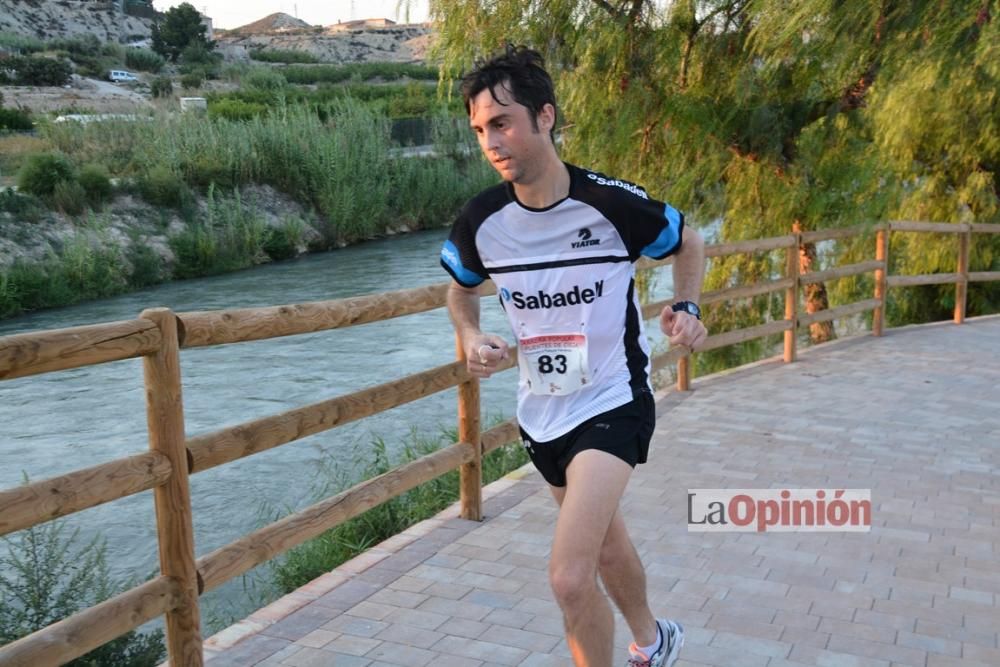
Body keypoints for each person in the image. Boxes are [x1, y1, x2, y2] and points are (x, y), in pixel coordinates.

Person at [440, 45, 707, 667]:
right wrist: (472, 337)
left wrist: (687, 309)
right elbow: (458, 291)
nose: (491, 142)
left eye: (502, 123)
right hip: (542, 413)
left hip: (614, 401)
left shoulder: (610, 203)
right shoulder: (480, 221)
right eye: (480, 130)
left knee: (568, 576)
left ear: (546, 117)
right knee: (605, 549)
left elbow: (689, 242)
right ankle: (654, 639)